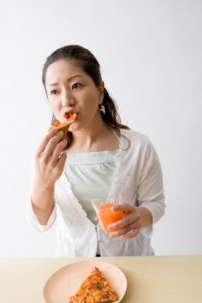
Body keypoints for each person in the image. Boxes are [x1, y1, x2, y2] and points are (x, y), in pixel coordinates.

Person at [27, 44, 165, 257]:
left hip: (133, 266)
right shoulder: (49, 154)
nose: (66, 101)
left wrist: (140, 216)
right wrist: (43, 182)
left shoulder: (138, 147)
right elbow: (42, 222)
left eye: (76, 85)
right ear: (48, 100)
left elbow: (155, 204)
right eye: (55, 91)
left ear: (100, 91)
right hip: (73, 271)